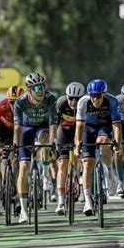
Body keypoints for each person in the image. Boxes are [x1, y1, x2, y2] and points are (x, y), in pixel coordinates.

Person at [13, 73, 58, 224]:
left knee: (45, 139)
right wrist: (15, 143)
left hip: (43, 127)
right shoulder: (21, 102)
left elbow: (53, 123)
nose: (41, 90)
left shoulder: (50, 99)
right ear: (29, 90)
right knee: (24, 166)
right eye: (37, 87)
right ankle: (24, 211)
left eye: (43, 86)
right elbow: (17, 126)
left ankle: (45, 174)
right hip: (26, 128)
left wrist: (53, 141)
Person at [75, 79, 121, 216]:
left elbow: (117, 125)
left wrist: (117, 143)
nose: (95, 99)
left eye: (98, 95)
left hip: (104, 126)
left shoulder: (112, 101)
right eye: (92, 95)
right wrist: (78, 143)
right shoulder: (83, 102)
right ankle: (88, 200)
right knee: (87, 163)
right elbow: (79, 126)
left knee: (104, 141)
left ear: (104, 94)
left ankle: (110, 172)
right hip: (87, 129)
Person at [54, 82, 85, 215]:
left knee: (82, 159)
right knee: (62, 164)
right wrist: (54, 140)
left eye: (77, 98)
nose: (73, 101)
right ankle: (61, 201)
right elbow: (54, 123)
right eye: (70, 98)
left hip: (80, 131)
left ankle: (80, 181)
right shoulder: (61, 103)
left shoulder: (85, 103)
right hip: (64, 131)